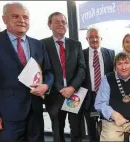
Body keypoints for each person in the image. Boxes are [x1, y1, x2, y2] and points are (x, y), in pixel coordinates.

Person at [0, 2, 54, 141]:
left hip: (35, 114)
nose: (21, 20)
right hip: (6, 117)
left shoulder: (38, 44)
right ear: (4, 19)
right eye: (15, 16)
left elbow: (49, 72)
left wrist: (46, 85)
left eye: (25, 17)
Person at [42, 12, 86, 142]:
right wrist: (61, 88)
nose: (61, 24)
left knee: (76, 130)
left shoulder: (76, 44)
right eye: (57, 22)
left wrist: (72, 87)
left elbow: (82, 68)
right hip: (54, 95)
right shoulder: (42, 44)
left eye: (63, 22)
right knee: (57, 132)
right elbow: (43, 69)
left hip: (74, 94)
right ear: (49, 25)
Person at [82, 28, 115, 142]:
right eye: (91, 37)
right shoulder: (81, 54)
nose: (94, 39)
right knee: (91, 130)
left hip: (107, 97)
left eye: (97, 37)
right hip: (88, 98)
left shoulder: (110, 53)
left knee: (108, 128)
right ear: (87, 39)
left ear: (101, 38)